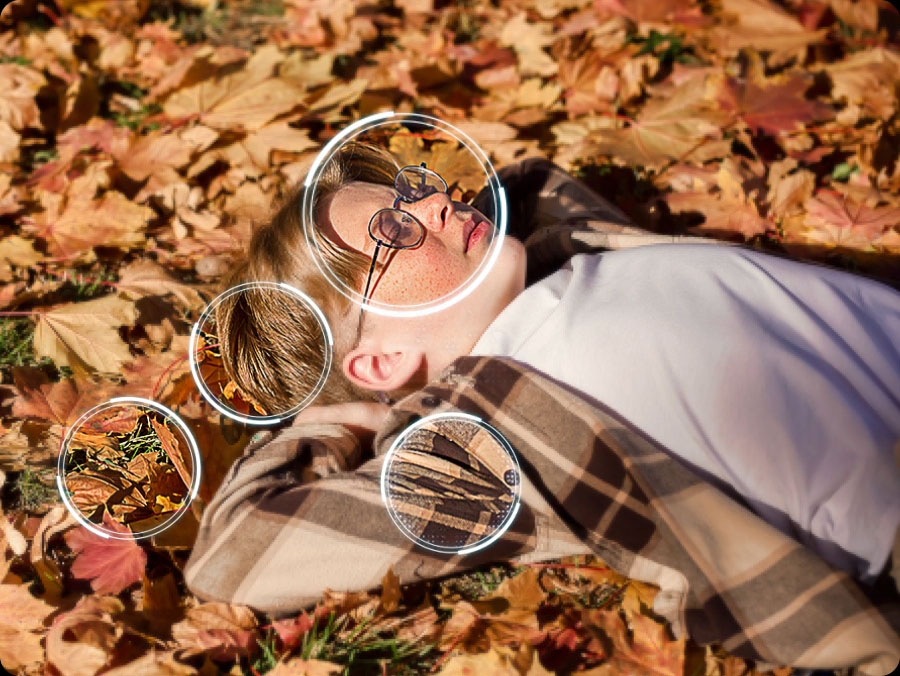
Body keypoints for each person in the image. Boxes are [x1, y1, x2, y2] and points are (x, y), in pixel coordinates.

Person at [185, 144, 900, 673]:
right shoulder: (494, 436)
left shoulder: (563, 255)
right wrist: (328, 423)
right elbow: (232, 558)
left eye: (409, 192)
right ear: (380, 363)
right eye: (393, 233)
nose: (435, 202)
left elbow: (527, 181)